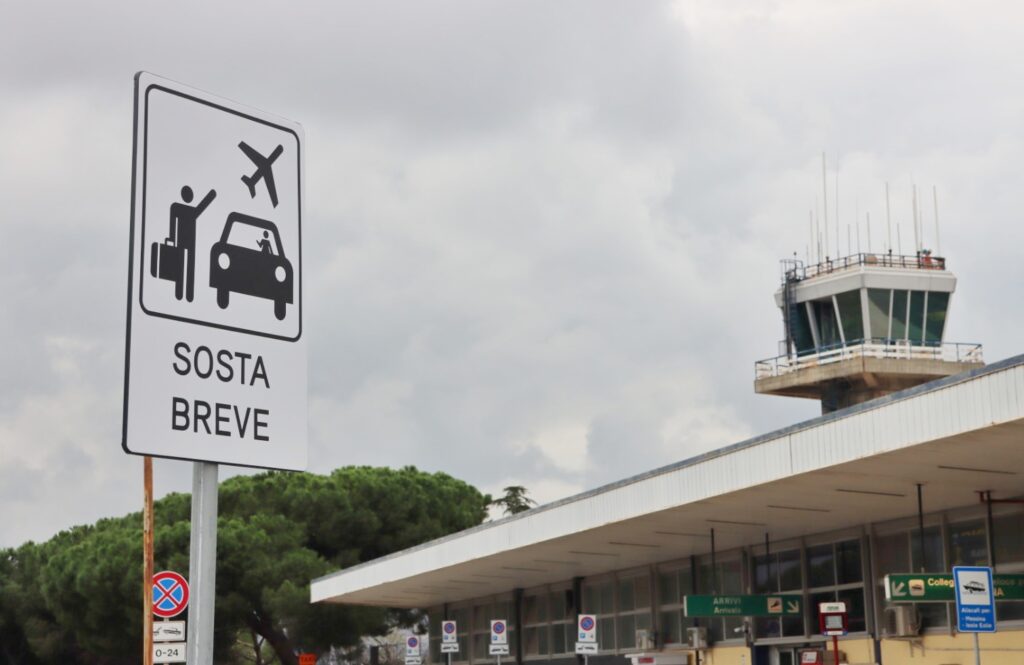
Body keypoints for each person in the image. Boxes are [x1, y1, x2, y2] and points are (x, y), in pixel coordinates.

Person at [169, 186, 216, 302]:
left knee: (190, 265)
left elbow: (201, 208)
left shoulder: (187, 210)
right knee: (180, 266)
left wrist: (212, 195)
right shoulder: (177, 207)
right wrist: (171, 238)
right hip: (181, 240)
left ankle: (189, 295)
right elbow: (172, 222)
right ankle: (179, 293)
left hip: (190, 240)